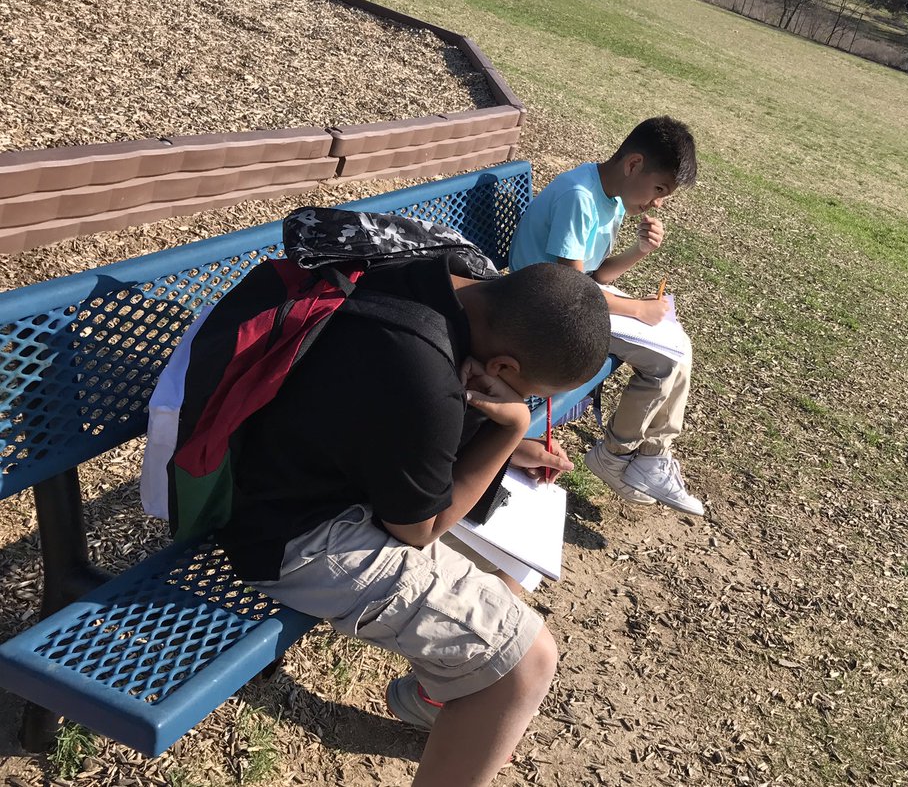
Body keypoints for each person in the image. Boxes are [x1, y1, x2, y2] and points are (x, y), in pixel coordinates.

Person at [215, 258, 611, 787]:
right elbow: (420, 529)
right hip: (290, 538)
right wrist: (509, 430)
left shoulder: (427, 272)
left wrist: (504, 444)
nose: (528, 405)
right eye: (531, 395)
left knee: (507, 581)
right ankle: (458, 699)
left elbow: (382, 419)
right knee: (525, 666)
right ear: (505, 370)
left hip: (271, 478)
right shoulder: (426, 374)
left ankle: (437, 700)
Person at [507, 116, 704, 516]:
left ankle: (649, 457)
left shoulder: (609, 197)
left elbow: (594, 276)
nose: (658, 203)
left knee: (678, 346)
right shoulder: (579, 197)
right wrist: (637, 309)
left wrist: (639, 252)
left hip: (568, 300)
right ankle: (617, 457)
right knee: (667, 357)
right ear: (634, 165)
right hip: (542, 311)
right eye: (660, 189)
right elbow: (572, 290)